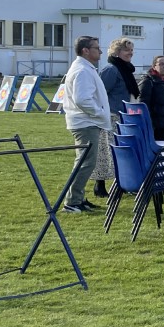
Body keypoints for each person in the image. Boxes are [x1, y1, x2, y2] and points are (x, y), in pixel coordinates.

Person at [59, 36, 111, 214]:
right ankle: (72, 202)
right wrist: (99, 112)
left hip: (86, 121)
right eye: (97, 48)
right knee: (86, 162)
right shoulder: (82, 70)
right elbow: (82, 99)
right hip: (86, 122)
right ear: (85, 50)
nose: (100, 51)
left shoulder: (85, 68)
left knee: (86, 161)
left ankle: (77, 198)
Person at [92, 36, 139, 197]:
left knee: (117, 152)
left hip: (123, 116)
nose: (130, 53)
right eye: (126, 50)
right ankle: (102, 186)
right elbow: (100, 93)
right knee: (108, 152)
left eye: (131, 50)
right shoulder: (111, 69)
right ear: (116, 52)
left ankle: (121, 184)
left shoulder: (126, 69)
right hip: (112, 116)